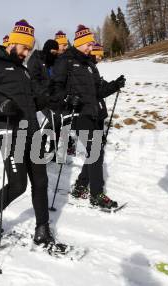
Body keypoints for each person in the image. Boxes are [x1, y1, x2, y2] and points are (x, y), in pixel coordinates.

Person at [0, 20, 53, 247]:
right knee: (18, 185)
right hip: (9, 131)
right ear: (14, 43)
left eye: (30, 49)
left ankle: (42, 229)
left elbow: (29, 103)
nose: (27, 53)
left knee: (41, 181)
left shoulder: (23, 71)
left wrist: (44, 100)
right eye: (25, 48)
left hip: (31, 131)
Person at [50, 25, 125, 209]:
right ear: (80, 43)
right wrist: (67, 98)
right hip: (76, 113)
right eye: (88, 45)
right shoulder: (65, 61)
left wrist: (115, 85)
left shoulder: (90, 65)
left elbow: (99, 90)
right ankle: (97, 195)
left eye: (92, 45)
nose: (91, 48)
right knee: (96, 151)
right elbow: (54, 89)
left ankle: (81, 186)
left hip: (92, 113)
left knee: (96, 150)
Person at [27, 39, 60, 158]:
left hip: (52, 96)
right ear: (46, 49)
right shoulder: (35, 60)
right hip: (39, 98)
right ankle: (49, 148)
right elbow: (33, 81)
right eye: (52, 51)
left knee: (58, 120)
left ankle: (51, 146)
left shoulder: (54, 61)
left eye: (56, 52)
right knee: (55, 118)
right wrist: (46, 93)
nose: (54, 54)